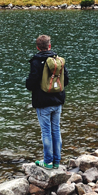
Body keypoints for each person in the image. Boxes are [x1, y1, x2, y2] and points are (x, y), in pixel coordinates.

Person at [25, 34, 68, 169]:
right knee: (56, 129)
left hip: (42, 102)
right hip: (57, 100)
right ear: (49, 46)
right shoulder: (58, 61)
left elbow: (31, 83)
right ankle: (56, 161)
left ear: (38, 47)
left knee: (46, 131)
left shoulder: (36, 61)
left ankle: (47, 162)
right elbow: (65, 80)